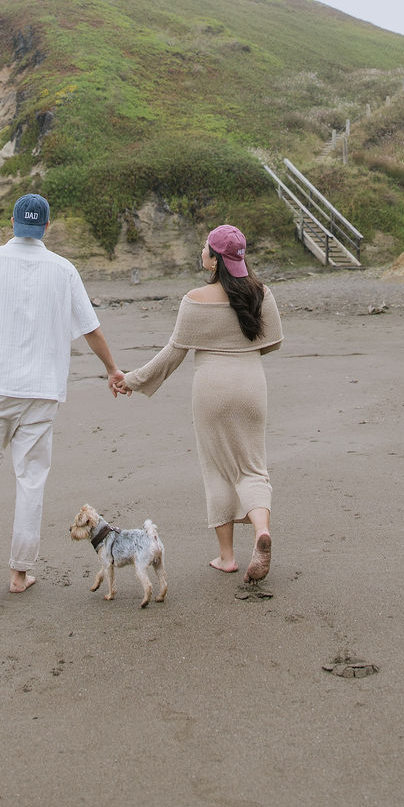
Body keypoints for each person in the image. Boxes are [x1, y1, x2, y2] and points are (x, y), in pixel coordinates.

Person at [0, 192, 124, 597]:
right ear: (46, 227)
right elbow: (90, 328)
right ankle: (20, 574)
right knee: (30, 479)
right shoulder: (64, 269)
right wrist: (112, 369)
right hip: (43, 392)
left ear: (12, 223)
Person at [112, 224, 282, 583]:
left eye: (205, 248)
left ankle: (226, 557)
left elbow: (172, 355)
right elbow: (271, 343)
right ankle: (261, 532)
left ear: (214, 261)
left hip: (211, 390)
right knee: (252, 466)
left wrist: (132, 380)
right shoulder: (261, 294)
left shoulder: (194, 300)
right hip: (252, 385)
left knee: (217, 469)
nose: (202, 252)